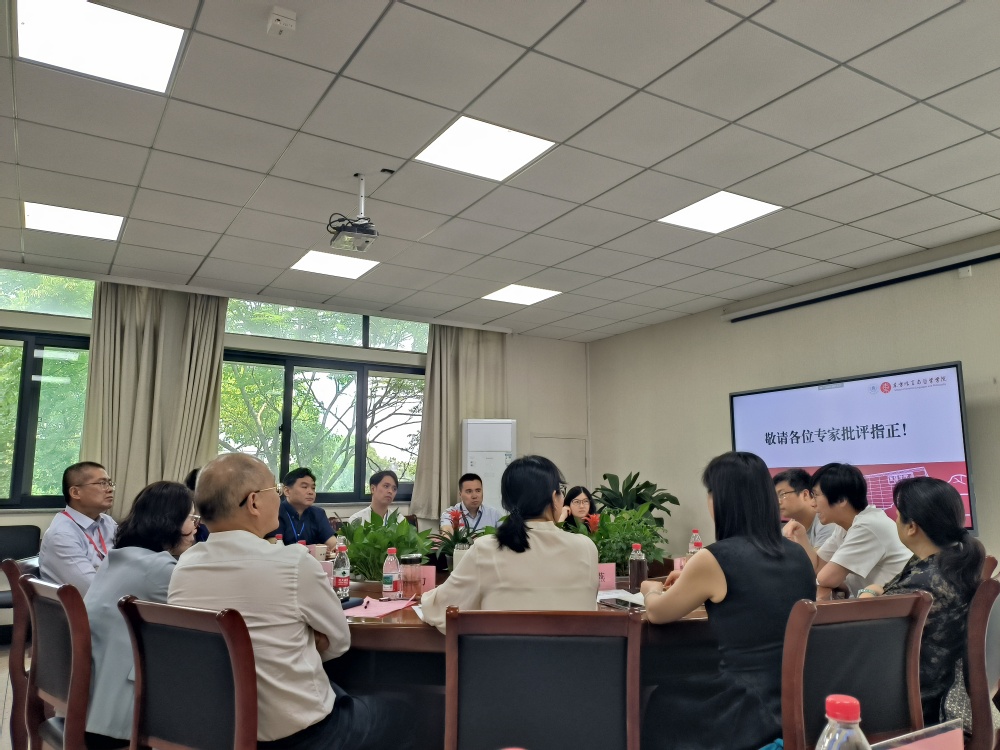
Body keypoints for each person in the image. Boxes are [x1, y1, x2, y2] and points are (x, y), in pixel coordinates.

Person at [168, 454, 408, 749]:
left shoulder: (184, 567)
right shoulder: (293, 562)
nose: (279, 498)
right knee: (402, 711)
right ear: (254, 502)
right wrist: (304, 640)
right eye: (275, 491)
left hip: (219, 731)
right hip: (301, 736)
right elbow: (339, 641)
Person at [639, 451, 815, 750]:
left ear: (720, 499)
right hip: (798, 704)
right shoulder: (798, 553)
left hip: (744, 710)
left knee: (662, 700)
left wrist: (650, 588)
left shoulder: (716, 557)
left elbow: (657, 613)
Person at [420, 455, 598, 633]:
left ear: (507, 502)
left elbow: (438, 609)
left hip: (504, 652)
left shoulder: (486, 549)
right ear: (554, 497)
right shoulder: (586, 548)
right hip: (571, 651)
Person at [858, 477, 985, 724]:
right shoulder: (951, 561)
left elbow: (868, 630)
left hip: (919, 705)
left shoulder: (922, 585)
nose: (895, 521)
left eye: (897, 516)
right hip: (941, 687)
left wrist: (868, 593)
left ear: (912, 527)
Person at [84, 481, 199, 745]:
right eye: (191, 518)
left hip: (87, 697)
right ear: (170, 521)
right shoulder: (160, 569)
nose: (195, 527)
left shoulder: (118, 557)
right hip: (120, 713)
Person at [785, 463, 911, 599]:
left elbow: (826, 578)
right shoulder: (844, 526)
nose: (812, 503)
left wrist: (836, 582)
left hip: (897, 606)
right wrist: (801, 536)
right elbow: (817, 567)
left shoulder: (867, 526)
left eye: (816, 495)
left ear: (841, 499)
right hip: (878, 604)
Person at [39, 461, 118, 595]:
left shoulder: (107, 522)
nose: (109, 489)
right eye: (102, 483)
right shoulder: (62, 535)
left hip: (112, 596)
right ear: (75, 492)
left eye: (109, 483)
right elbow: (93, 590)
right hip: (84, 605)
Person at [266, 467, 337, 546]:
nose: (311, 492)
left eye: (313, 488)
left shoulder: (318, 513)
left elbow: (333, 544)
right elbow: (273, 546)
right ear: (287, 491)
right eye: (304, 487)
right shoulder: (276, 513)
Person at [774, 468, 833, 548]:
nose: (778, 502)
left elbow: (819, 556)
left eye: (782, 494)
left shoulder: (826, 521)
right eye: (775, 497)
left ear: (805, 495)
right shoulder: (787, 531)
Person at [438, 473, 503, 534]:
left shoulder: (494, 514)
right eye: (469, 491)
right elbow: (446, 530)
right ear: (460, 494)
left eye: (478, 491)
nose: (474, 496)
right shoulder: (450, 513)